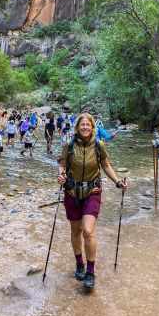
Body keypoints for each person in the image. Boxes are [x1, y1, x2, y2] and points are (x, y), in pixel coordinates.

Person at [58, 113, 128, 290]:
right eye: (82, 125)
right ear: (77, 127)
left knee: (88, 231)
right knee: (76, 230)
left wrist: (117, 181)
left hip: (92, 191)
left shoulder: (99, 145)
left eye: (88, 125)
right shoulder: (69, 144)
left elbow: (105, 165)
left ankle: (90, 272)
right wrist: (61, 175)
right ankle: (79, 264)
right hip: (72, 191)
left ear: (92, 127)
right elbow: (62, 165)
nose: (85, 127)